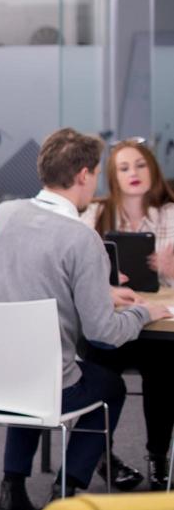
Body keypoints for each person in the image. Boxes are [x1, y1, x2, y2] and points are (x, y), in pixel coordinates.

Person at [0, 128, 174, 510]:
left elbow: (41, 276)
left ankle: (11, 489)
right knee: (109, 385)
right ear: (85, 175)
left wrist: (100, 290)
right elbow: (104, 332)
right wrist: (145, 313)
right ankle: (66, 491)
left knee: (33, 381)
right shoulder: (81, 237)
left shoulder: (4, 215)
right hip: (47, 381)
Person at [81, 138, 174, 488]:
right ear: (112, 176)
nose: (133, 173)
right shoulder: (94, 214)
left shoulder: (170, 215)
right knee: (94, 365)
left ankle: (158, 456)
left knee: (164, 368)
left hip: (157, 325)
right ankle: (99, 454)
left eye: (140, 165)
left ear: (153, 169)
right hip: (112, 323)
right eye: (123, 168)